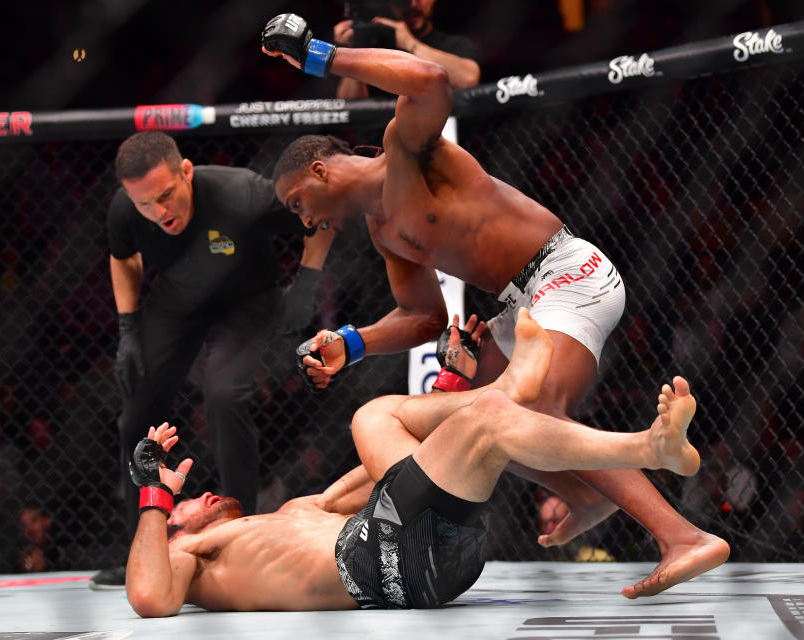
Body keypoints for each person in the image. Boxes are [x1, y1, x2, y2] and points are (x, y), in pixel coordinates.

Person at [260, 15, 730, 598]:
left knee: (537, 406)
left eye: (297, 202)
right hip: (522, 304)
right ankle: (586, 493)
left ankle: (683, 536)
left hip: (567, 271)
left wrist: (317, 55)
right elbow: (423, 318)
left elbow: (430, 79)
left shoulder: (404, 150)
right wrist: (352, 343)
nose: (305, 220)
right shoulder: (384, 234)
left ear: (320, 168)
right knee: (465, 418)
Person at [124, 308, 704, 616]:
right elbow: (150, 597)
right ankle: (644, 448)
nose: (200, 495)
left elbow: (388, 477)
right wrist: (155, 493)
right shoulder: (187, 558)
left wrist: (445, 391)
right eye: (188, 504)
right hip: (382, 562)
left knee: (376, 420)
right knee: (476, 422)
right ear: (171, 528)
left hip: (419, 550)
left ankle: (490, 393)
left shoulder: (290, 514)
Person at [90, 131, 334, 589]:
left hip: (246, 302)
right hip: (176, 301)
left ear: (186, 172)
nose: (159, 212)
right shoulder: (126, 209)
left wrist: (306, 282)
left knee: (225, 392)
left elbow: (321, 213)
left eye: (166, 195)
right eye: (146, 204)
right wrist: (127, 328)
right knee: (135, 416)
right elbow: (122, 259)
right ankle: (142, 550)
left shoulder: (241, 194)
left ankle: (239, 540)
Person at [333, 0, 480, 99]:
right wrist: (357, 47)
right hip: (379, 141)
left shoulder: (454, 45)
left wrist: (409, 42)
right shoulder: (376, 45)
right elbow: (349, 103)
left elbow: (468, 79)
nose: (414, 5)